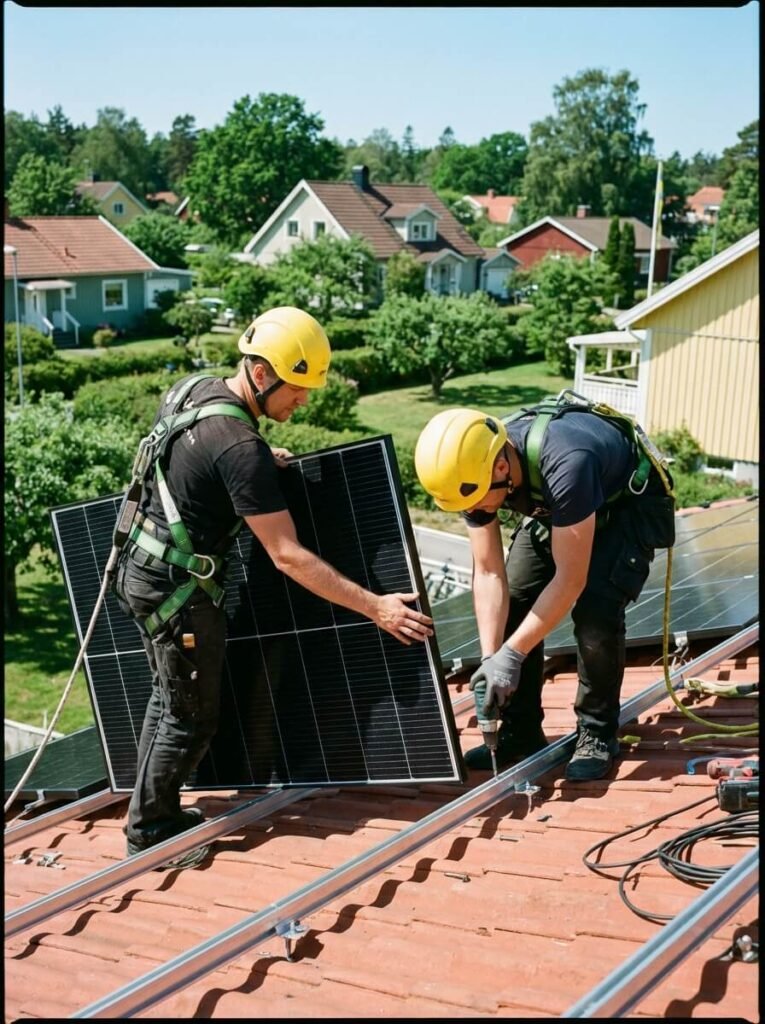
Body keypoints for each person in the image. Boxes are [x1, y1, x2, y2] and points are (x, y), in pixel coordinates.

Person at [115, 306, 433, 868]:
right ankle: (150, 830)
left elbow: (194, 463)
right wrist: (376, 608)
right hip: (177, 593)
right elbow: (288, 556)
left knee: (169, 700)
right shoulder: (238, 448)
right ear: (261, 374)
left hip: (140, 567)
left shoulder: (194, 391)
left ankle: (150, 811)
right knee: (190, 716)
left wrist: (255, 462)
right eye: (297, 388)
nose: (303, 400)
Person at [414, 401, 674, 782]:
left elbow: (570, 580)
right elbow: (488, 573)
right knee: (516, 598)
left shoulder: (568, 462)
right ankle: (520, 732)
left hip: (622, 509)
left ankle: (597, 732)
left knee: (595, 612)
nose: (476, 510)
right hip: (563, 510)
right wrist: (492, 660)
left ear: (501, 468)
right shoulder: (472, 475)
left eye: (478, 501)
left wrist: (512, 655)